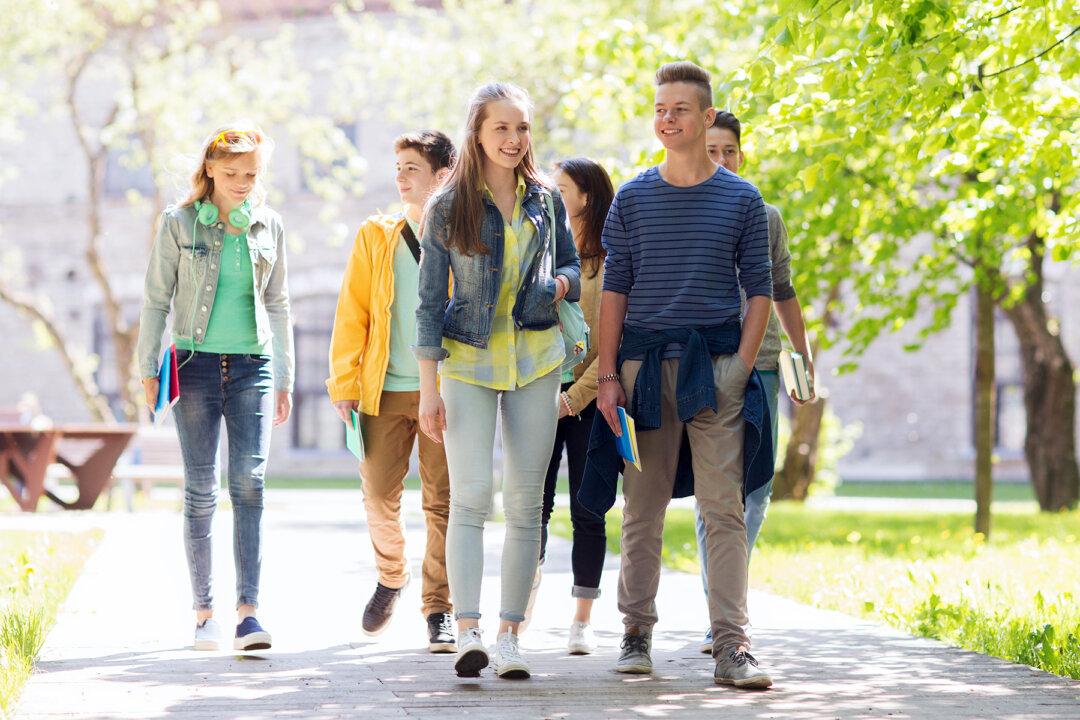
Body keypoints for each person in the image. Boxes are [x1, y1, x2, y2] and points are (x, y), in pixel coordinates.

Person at [589, 62, 774, 688]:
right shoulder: (634, 199)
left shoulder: (743, 200)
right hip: (642, 374)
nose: (667, 120)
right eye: (660, 109)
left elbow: (761, 291)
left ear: (707, 117)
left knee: (724, 511)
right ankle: (635, 632)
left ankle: (732, 646)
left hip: (714, 371)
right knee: (642, 509)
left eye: (680, 110)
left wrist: (739, 368)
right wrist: (608, 375)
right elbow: (615, 291)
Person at [414, 82, 580, 680]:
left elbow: (570, 268)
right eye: (501, 129)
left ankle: (511, 635)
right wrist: (429, 389)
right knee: (471, 497)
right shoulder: (447, 205)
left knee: (526, 504)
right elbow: (430, 303)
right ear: (477, 134)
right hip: (467, 363)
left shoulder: (544, 199)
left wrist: (559, 286)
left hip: (537, 358)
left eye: (522, 129)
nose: (514, 140)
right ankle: (468, 632)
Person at [136, 123, 294, 652]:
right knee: (201, 490)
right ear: (209, 170)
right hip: (193, 364)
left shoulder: (268, 225)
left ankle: (249, 613)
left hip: (254, 365)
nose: (243, 182)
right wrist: (146, 367)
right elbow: (156, 299)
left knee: (249, 483)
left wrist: (286, 378)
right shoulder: (179, 223)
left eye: (251, 174)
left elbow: (280, 304)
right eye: (231, 173)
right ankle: (204, 613)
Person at [327, 131, 457, 652]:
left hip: (445, 392)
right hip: (383, 388)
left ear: (441, 175)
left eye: (411, 168)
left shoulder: (464, 235)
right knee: (379, 495)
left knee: (441, 503)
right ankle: (391, 575)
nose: (400, 177)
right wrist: (345, 381)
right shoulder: (376, 235)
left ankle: (439, 608)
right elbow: (352, 311)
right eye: (397, 167)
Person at [694, 111, 816, 653]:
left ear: (742, 156)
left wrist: (804, 356)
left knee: (757, 490)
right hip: (704, 364)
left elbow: (784, 289)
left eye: (730, 151)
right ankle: (723, 613)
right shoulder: (684, 209)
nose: (721, 160)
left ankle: (726, 600)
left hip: (763, 364)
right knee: (713, 493)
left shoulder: (765, 216)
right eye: (712, 149)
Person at [527, 158, 614, 655]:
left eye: (563, 190)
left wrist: (573, 399)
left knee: (589, 508)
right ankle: (522, 611)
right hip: (538, 396)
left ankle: (582, 620)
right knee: (531, 507)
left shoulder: (609, 263)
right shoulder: (540, 253)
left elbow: (610, 342)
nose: (554, 197)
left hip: (588, 400)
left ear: (587, 197)